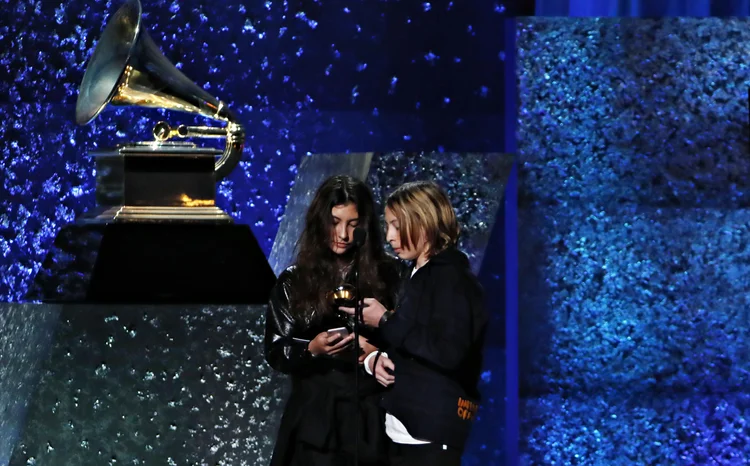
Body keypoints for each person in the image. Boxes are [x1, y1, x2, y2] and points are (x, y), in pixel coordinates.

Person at [340, 180, 488, 466]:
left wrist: (384, 319)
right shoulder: (419, 275)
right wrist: (377, 357)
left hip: (430, 436)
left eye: (397, 225)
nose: (390, 236)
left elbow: (448, 351)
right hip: (407, 432)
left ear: (423, 223)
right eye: (388, 226)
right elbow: (416, 343)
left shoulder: (451, 280)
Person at [264, 175, 402, 466]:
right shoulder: (294, 280)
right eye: (335, 222)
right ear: (319, 221)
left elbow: (413, 339)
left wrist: (376, 347)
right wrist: (311, 348)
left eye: (353, 224)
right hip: (314, 423)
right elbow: (276, 349)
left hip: (370, 421)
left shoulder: (390, 276)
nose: (343, 234)